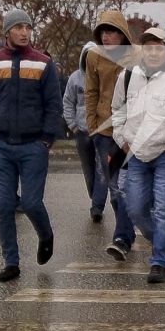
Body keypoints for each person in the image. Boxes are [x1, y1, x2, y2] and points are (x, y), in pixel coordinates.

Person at [0, 9, 62, 283]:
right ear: (7, 32)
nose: (24, 32)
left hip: (33, 145)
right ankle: (11, 262)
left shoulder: (43, 63)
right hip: (0, 145)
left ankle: (45, 234)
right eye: (19, 27)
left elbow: (53, 105)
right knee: (3, 205)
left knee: (32, 203)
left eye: (28, 27)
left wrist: (46, 138)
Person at [111, 26, 165, 283]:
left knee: (163, 209)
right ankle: (160, 239)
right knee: (135, 208)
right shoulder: (128, 76)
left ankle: (160, 261)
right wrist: (122, 139)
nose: (152, 52)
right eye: (147, 47)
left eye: (158, 47)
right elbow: (117, 110)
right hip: (136, 155)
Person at [81, 11, 140, 259]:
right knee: (115, 188)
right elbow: (91, 92)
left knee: (127, 186)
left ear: (123, 33)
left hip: (132, 130)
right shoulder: (94, 55)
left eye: (111, 31)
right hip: (105, 132)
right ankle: (124, 233)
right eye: (103, 32)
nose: (106, 36)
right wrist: (92, 126)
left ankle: (122, 236)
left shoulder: (138, 55)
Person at [62, 46, 98, 213]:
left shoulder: (104, 75)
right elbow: (68, 102)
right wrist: (73, 126)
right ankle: (94, 197)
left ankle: (97, 205)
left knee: (104, 169)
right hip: (82, 132)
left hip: (102, 131)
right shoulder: (75, 78)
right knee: (89, 169)